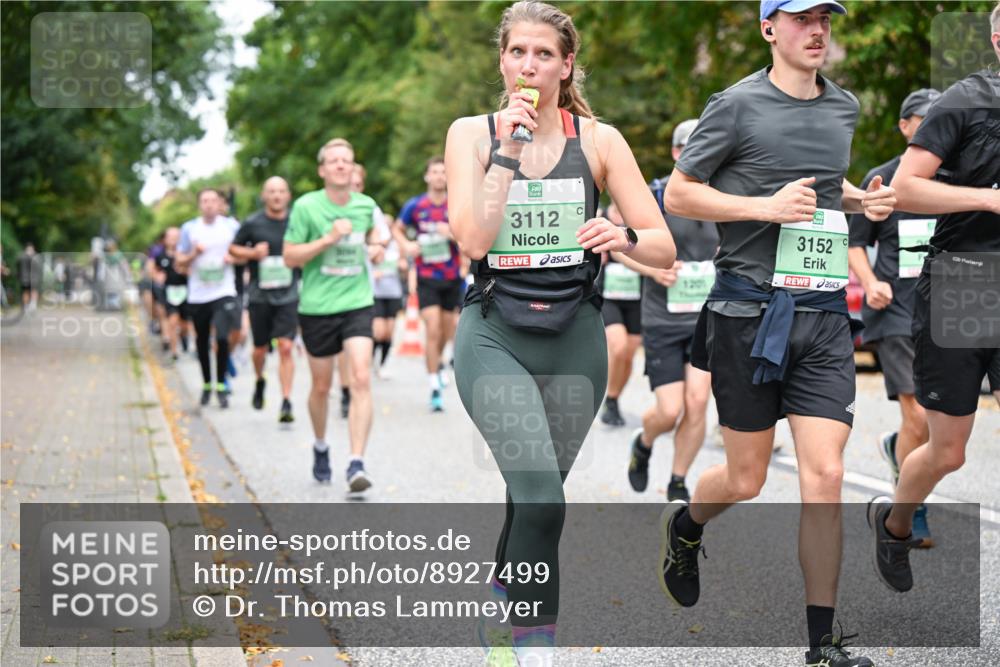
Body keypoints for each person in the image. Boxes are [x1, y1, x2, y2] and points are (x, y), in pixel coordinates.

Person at [661, 2, 897, 665]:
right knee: (746, 478)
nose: (816, 30)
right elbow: (680, 193)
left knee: (826, 474)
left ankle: (822, 644)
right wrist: (763, 208)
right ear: (769, 28)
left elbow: (822, 185)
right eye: (800, 18)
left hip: (821, 311)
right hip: (749, 313)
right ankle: (685, 525)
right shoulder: (735, 105)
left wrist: (859, 199)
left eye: (825, 17)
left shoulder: (843, 107)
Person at [445, 3, 675, 664]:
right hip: (494, 334)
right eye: (518, 52)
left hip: (576, 336)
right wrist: (508, 152)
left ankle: (502, 598)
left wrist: (622, 236)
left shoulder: (599, 141)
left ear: (566, 65)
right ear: (502, 61)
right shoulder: (472, 135)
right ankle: (534, 644)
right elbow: (474, 239)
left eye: (544, 54)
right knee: (543, 497)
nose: (530, 65)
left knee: (534, 495)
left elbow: (662, 247)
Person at [867, 4, 1000, 594]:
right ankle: (894, 523)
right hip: (963, 285)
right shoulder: (964, 100)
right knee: (947, 452)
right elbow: (904, 189)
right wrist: (990, 199)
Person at [847, 88, 939, 547]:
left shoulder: (960, 179)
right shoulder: (882, 178)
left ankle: (896, 448)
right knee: (918, 415)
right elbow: (854, 243)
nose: (934, 125)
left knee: (939, 425)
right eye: (924, 118)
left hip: (946, 313)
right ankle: (912, 508)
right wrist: (869, 282)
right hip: (895, 310)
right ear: (905, 126)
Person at [622, 118, 718, 503]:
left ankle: (678, 481)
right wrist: (653, 270)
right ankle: (644, 442)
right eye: (689, 148)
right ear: (676, 152)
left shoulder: (722, 198)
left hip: (705, 319)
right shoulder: (656, 195)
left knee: (697, 402)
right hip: (662, 318)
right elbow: (619, 246)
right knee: (669, 410)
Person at [283, 138, 386, 492]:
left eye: (347, 160)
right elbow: (289, 257)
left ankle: (356, 462)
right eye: (334, 160)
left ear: (353, 168)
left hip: (357, 302)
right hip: (317, 307)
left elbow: (377, 238)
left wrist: (376, 248)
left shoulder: (366, 206)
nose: (341, 165)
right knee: (321, 387)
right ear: (322, 170)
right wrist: (328, 239)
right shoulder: (306, 207)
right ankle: (321, 445)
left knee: (361, 377)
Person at [396, 157, 463, 412]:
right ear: (427, 176)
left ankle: (439, 362)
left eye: (443, 172)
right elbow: (397, 229)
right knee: (432, 328)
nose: (439, 176)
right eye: (434, 172)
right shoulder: (416, 206)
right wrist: (406, 245)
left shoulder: (455, 205)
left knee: (446, 331)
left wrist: (452, 235)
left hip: (451, 276)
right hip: (426, 277)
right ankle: (434, 384)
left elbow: (469, 236)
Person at [230, 176, 299, 423]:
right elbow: (233, 249)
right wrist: (253, 253)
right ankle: (260, 380)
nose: (277, 196)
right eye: (272, 191)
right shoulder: (252, 223)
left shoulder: (297, 221)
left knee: (286, 347)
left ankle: (286, 401)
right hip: (260, 295)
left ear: (288, 195)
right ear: (264, 196)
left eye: (281, 191)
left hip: (289, 293)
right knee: (259, 349)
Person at [176, 188, 242, 409]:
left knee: (222, 338)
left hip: (223, 291)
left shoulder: (231, 226)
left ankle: (221, 384)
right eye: (205, 201)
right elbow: (179, 261)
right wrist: (194, 254)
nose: (210, 204)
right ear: (199, 205)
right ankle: (206, 384)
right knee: (202, 341)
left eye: (213, 200)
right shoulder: (189, 229)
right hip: (198, 294)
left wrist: (233, 258)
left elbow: (245, 254)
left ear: (219, 204)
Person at [597, 202, 644, 427]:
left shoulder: (639, 217)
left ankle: (613, 399)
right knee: (619, 346)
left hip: (636, 297)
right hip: (609, 295)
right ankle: (610, 399)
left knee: (628, 355)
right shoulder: (600, 215)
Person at [154, 227, 191, 362]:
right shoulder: (161, 256)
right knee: (172, 322)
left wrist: (183, 270)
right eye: (171, 237)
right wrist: (158, 277)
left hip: (185, 291)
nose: (174, 240)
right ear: (165, 239)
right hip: (169, 292)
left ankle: (184, 336)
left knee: (185, 324)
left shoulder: (186, 254)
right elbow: (155, 271)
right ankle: (174, 352)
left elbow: (192, 271)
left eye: (176, 237)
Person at [16, 243, 39, 310]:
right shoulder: (24, 256)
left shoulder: (22, 256)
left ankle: (32, 305)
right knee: (27, 292)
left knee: (32, 291)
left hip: (30, 278)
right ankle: (27, 306)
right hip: (27, 278)